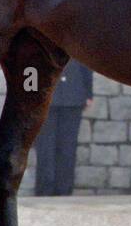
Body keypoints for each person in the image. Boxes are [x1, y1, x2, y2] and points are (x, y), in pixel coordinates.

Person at [32, 59, 93, 197]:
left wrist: (88, 92)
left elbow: (86, 63)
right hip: (44, 96)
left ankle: (64, 190)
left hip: (73, 95)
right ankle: (45, 190)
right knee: (45, 148)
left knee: (68, 148)